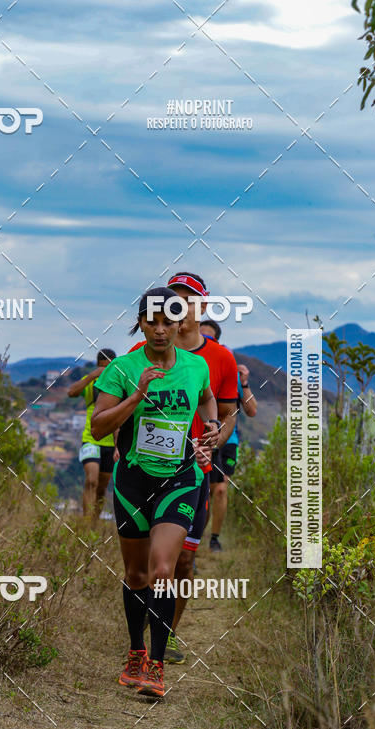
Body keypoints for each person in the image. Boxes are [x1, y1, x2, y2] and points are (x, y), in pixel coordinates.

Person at [91, 288, 219, 698]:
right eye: (153, 321)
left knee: (164, 569)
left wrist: (211, 426)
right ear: (141, 323)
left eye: (170, 321)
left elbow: (207, 398)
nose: (161, 330)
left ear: (181, 323)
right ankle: (135, 650)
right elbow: (98, 427)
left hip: (180, 478)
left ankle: (157, 666)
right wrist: (137, 396)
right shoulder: (122, 368)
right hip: (132, 481)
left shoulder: (196, 366)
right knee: (137, 574)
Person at [128, 273, 238, 664]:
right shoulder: (144, 352)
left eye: (189, 300)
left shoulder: (221, 358)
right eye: (174, 298)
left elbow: (227, 413)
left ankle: (168, 634)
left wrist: (214, 439)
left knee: (184, 561)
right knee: (146, 564)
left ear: (202, 308)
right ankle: (142, 637)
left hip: (194, 472)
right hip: (145, 472)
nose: (180, 306)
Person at [199, 320, 258, 551]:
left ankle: (214, 538)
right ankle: (193, 540)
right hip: (199, 436)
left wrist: (244, 382)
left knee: (221, 489)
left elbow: (252, 410)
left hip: (228, 439)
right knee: (202, 490)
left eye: (210, 338)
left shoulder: (226, 365)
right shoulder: (191, 365)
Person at [67, 349, 117, 519]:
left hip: (110, 443)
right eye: (102, 368)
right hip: (91, 439)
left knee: (102, 487)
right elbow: (71, 392)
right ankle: (86, 521)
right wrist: (92, 376)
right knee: (92, 480)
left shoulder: (119, 384)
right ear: (98, 366)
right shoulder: (90, 383)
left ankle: (94, 522)